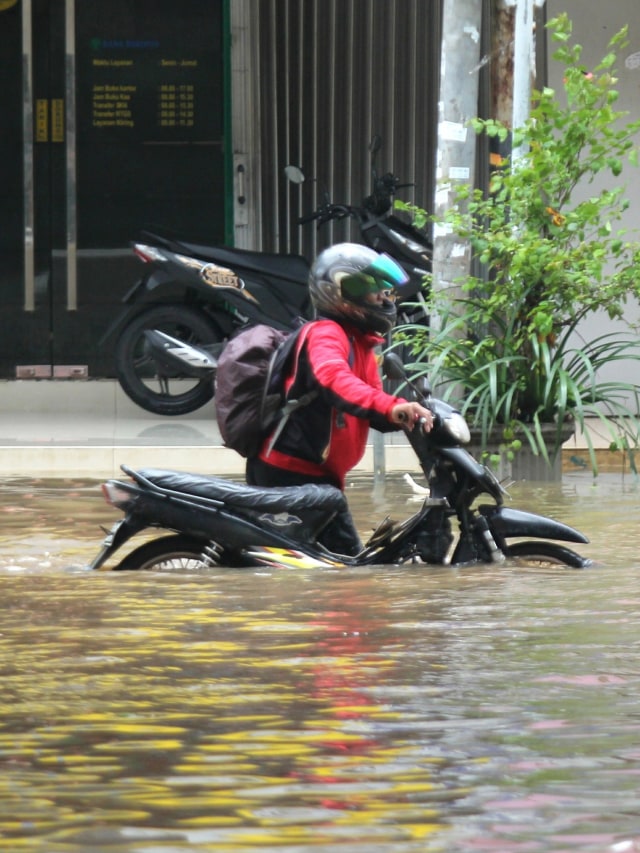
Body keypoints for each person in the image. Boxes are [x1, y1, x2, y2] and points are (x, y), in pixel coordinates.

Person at [246, 242, 433, 556]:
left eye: (385, 291)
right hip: (290, 473)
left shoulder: (360, 343)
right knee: (350, 572)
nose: (384, 298)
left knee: (332, 567)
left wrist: (408, 414)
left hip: (319, 477)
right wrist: (392, 407)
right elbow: (335, 381)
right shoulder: (325, 334)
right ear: (343, 295)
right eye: (374, 290)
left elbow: (369, 405)